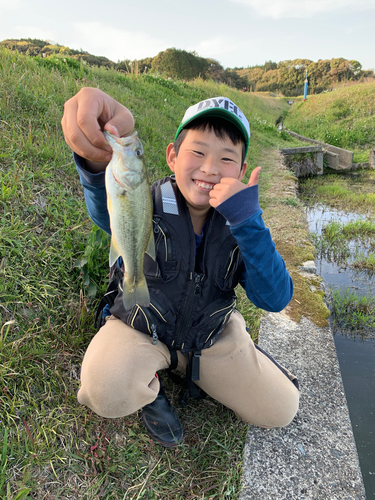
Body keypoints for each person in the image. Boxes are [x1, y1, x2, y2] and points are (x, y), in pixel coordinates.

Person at [61, 88, 299, 447]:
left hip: (209, 338)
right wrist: (96, 161)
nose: (209, 169)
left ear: (242, 169)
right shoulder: (147, 196)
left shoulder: (243, 224)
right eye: (198, 152)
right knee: (103, 390)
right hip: (143, 325)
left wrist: (249, 223)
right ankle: (151, 388)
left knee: (282, 409)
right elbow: (105, 209)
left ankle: (207, 362)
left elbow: (275, 298)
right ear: (172, 156)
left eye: (226, 159)